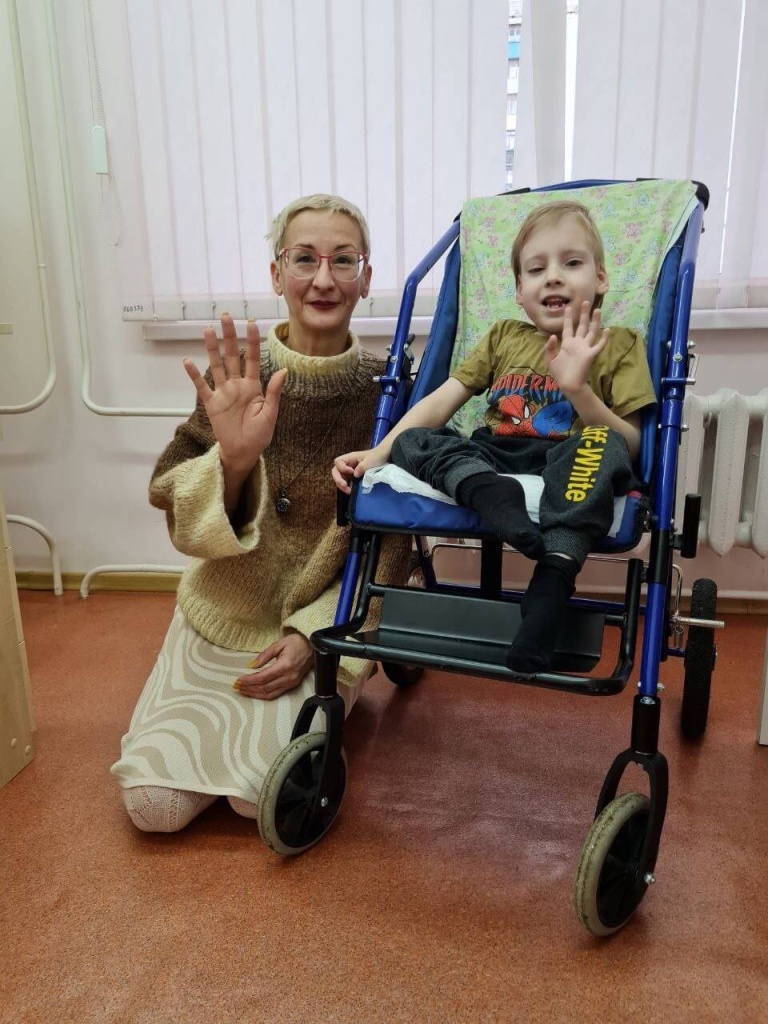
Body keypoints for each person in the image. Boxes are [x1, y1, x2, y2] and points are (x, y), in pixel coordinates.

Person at [111, 194, 409, 832]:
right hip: (225, 606)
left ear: (366, 277)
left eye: (343, 260)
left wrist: (314, 636)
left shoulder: (389, 392)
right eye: (304, 259)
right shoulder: (238, 375)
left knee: (261, 800)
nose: (324, 279)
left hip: (328, 621)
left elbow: (394, 547)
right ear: (277, 274)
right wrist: (234, 462)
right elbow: (174, 500)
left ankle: (330, 685)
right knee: (154, 808)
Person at [332, 200, 656, 677]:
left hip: (568, 461)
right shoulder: (504, 336)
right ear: (520, 291)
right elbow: (440, 401)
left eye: (572, 263)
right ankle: (490, 491)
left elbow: (631, 443)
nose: (553, 277)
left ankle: (553, 579)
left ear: (601, 278)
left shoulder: (621, 344)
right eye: (536, 269)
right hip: (495, 455)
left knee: (602, 446)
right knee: (415, 440)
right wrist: (380, 451)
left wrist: (578, 390)